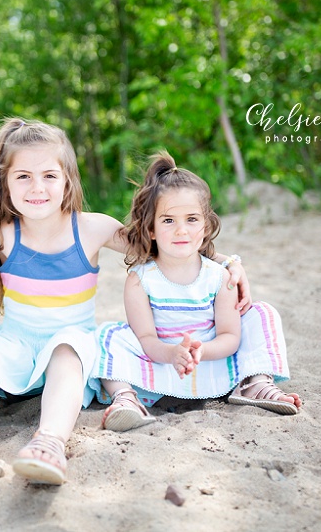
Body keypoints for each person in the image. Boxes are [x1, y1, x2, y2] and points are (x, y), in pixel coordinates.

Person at [0, 119, 250, 503]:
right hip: (15, 342)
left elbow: (166, 244)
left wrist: (231, 262)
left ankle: (48, 442)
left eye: (49, 175)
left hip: (73, 345)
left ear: (68, 180)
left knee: (65, 351)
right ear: (4, 182)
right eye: (24, 176)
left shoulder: (92, 229)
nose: (37, 187)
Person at [89, 152, 302, 433]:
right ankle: (126, 399)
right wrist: (172, 353)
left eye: (191, 219)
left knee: (262, 313)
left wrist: (201, 351)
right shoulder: (140, 279)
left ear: (205, 226)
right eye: (168, 221)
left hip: (214, 362)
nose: (181, 230)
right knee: (108, 335)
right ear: (150, 228)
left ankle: (256, 384)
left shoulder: (219, 276)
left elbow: (230, 336)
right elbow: (146, 339)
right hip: (163, 363)